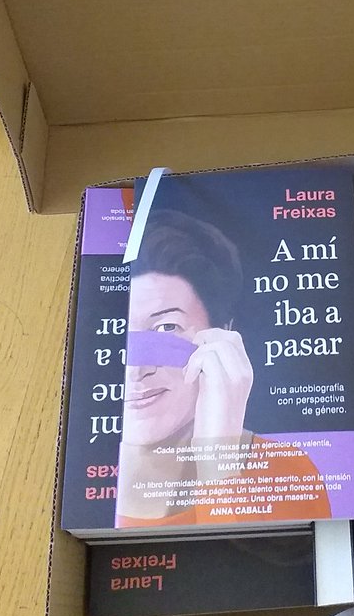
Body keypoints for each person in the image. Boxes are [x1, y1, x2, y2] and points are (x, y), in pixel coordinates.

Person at [116, 209, 329, 527]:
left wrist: (219, 460)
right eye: (120, 331)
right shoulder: (80, 472)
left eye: (167, 328)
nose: (137, 369)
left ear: (222, 336)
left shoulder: (287, 472)